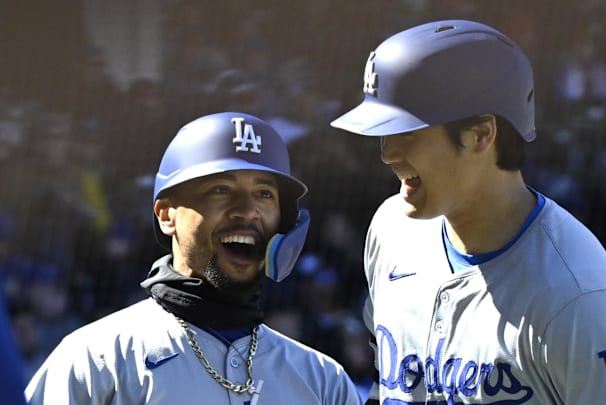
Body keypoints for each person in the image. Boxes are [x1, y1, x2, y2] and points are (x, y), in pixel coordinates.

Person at [330, 19, 606, 404]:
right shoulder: (391, 230)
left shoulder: (582, 301)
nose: (386, 153)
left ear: (481, 135)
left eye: (408, 133)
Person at [25, 112, 363, 404]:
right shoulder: (98, 360)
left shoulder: (322, 380)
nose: (247, 210)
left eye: (264, 194)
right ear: (166, 215)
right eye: (221, 190)